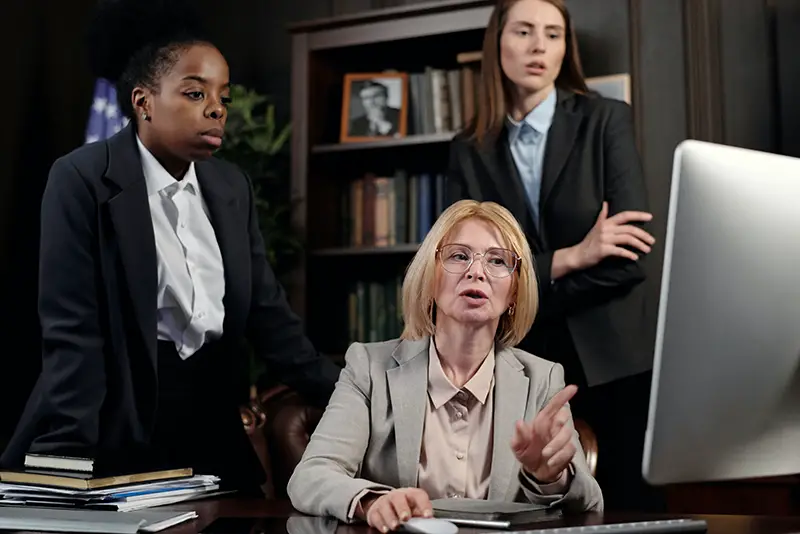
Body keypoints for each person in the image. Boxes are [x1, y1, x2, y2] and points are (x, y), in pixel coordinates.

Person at [0, 0, 341, 495]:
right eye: (195, 92)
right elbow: (73, 336)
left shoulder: (230, 187)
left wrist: (355, 397)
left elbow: (272, 321)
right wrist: (67, 472)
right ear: (143, 102)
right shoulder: (81, 179)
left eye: (223, 95)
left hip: (210, 429)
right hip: (114, 431)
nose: (217, 108)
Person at [446, 0, 661, 512]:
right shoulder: (469, 148)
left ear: (566, 47)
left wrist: (524, 283)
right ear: (497, 42)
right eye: (523, 31)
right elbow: (466, 267)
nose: (539, 46)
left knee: (631, 512)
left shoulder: (606, 120)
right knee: (533, 513)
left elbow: (631, 259)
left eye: (553, 34)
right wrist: (575, 255)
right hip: (519, 363)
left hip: (615, 363)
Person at [287, 200, 603, 531]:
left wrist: (549, 477)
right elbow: (310, 476)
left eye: (497, 261)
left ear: (514, 293)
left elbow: (590, 506)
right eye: (459, 256)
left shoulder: (542, 379)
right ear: (430, 279)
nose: (476, 271)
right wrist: (372, 501)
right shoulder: (369, 368)